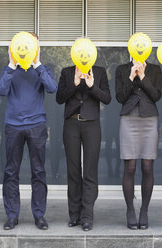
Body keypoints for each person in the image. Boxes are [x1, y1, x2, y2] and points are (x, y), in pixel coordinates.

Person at [0, 32, 57, 230]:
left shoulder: (42, 69)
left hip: (36, 126)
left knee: (38, 172)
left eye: (32, 45)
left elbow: (52, 88)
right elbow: (0, 91)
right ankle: (12, 215)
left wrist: (38, 64)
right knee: (11, 172)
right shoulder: (9, 70)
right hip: (13, 126)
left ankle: (39, 215)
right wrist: (11, 64)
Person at [56, 64, 111, 231]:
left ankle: (87, 215)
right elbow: (59, 98)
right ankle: (74, 214)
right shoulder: (67, 71)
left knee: (90, 171)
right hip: (71, 123)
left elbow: (107, 98)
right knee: (73, 171)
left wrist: (91, 86)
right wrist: (73, 83)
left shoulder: (100, 71)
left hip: (92, 125)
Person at [115, 58, 162, 230]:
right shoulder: (121, 69)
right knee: (130, 166)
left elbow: (157, 95)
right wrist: (130, 76)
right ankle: (130, 211)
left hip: (149, 119)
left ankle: (144, 210)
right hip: (128, 118)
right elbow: (120, 97)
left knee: (148, 166)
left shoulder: (155, 69)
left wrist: (142, 76)